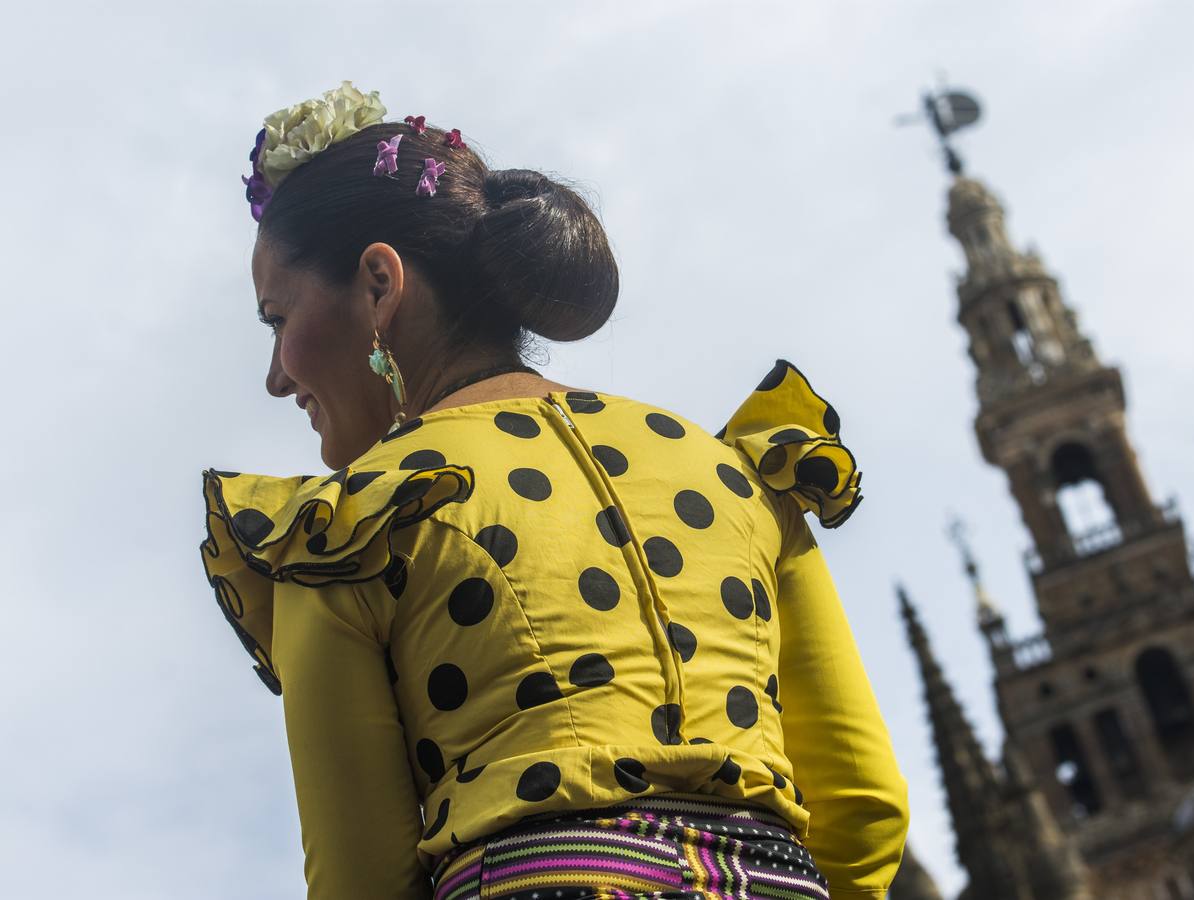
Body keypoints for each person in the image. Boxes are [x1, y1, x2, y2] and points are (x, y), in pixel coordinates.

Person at [200, 81, 908, 900]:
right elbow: (863, 809)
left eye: (276, 319)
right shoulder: (734, 472)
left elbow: (361, 880)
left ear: (379, 285)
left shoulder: (346, 529)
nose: (276, 376)